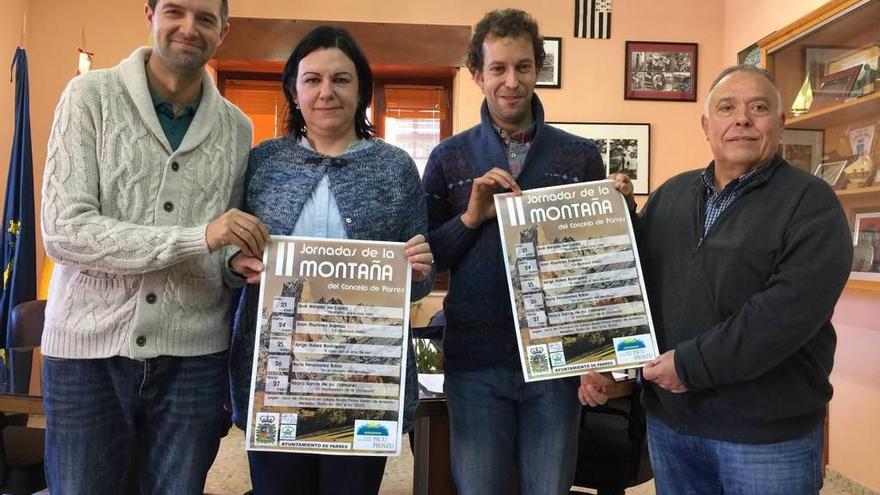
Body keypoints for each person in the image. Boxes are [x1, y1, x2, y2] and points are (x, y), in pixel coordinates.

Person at [39, 0, 270, 493]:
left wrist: (238, 261)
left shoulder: (237, 127)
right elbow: (64, 230)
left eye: (206, 18)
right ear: (150, 14)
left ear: (223, 32)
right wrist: (200, 236)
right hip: (87, 353)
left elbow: (221, 248)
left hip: (193, 357)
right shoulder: (89, 96)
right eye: (176, 12)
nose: (189, 27)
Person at [227, 26, 434, 495]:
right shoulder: (263, 161)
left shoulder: (395, 166)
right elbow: (229, 252)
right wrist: (235, 264)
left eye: (341, 79)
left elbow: (414, 283)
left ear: (361, 89)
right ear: (294, 91)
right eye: (312, 79)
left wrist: (418, 270)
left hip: (361, 379)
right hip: (276, 376)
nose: (326, 92)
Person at [634, 65, 853, 494]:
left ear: (781, 122)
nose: (742, 120)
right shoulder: (669, 196)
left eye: (758, 108)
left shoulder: (812, 205)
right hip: (671, 425)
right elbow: (634, 288)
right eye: (727, 107)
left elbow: (783, 314)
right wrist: (608, 364)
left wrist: (691, 365)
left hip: (766, 438)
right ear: (706, 124)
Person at [422, 9, 614, 495]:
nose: (512, 81)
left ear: (537, 69)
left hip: (555, 365)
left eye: (523, 67)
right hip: (475, 360)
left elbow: (595, 267)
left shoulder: (580, 156)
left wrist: (594, 355)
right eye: (498, 68)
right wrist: (471, 217)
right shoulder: (449, 158)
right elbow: (428, 258)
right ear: (477, 74)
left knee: (550, 489)